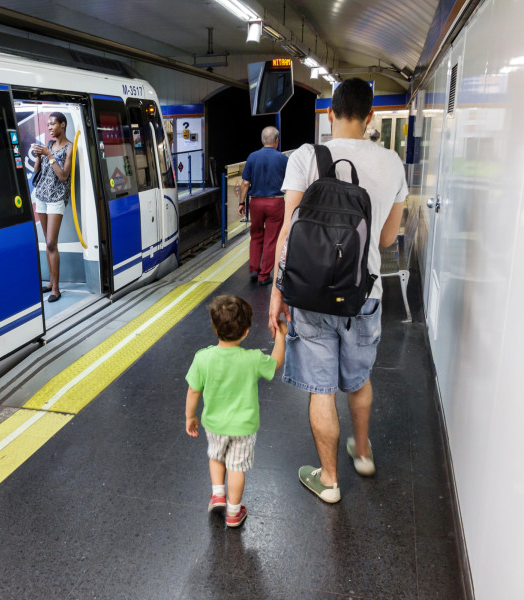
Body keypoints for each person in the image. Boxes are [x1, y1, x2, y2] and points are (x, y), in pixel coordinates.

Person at [268, 78, 407, 503]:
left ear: (329, 113)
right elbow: (385, 241)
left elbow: (288, 232)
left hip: (309, 294)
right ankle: (362, 454)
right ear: (370, 117)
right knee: (359, 380)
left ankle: (329, 481)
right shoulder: (392, 163)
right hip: (364, 294)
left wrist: (277, 294)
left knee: (321, 388)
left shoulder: (306, 157)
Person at [185, 294, 287, 527]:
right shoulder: (252, 359)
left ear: (214, 328)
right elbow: (276, 362)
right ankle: (233, 511)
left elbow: (193, 391)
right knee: (236, 467)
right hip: (243, 427)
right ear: (246, 331)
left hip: (214, 424)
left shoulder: (203, 358)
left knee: (216, 457)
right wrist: (281, 336)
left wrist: (190, 416)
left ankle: (218, 493)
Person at [31, 112, 73, 303]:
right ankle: (50, 283)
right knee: (46, 243)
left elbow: (64, 175)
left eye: (52, 124)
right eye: (47, 125)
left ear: (62, 125)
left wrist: (49, 155)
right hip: (41, 196)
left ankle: (56, 288)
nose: (49, 128)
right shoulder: (48, 145)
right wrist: (39, 155)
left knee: (50, 243)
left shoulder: (69, 147)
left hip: (56, 198)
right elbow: (36, 171)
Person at [238, 126, 288, 286]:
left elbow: (245, 183)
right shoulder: (283, 159)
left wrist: (241, 203)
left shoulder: (252, 157)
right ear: (276, 141)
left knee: (256, 235)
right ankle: (264, 275)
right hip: (276, 202)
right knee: (271, 239)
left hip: (256, 202)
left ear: (262, 140)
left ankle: (254, 268)